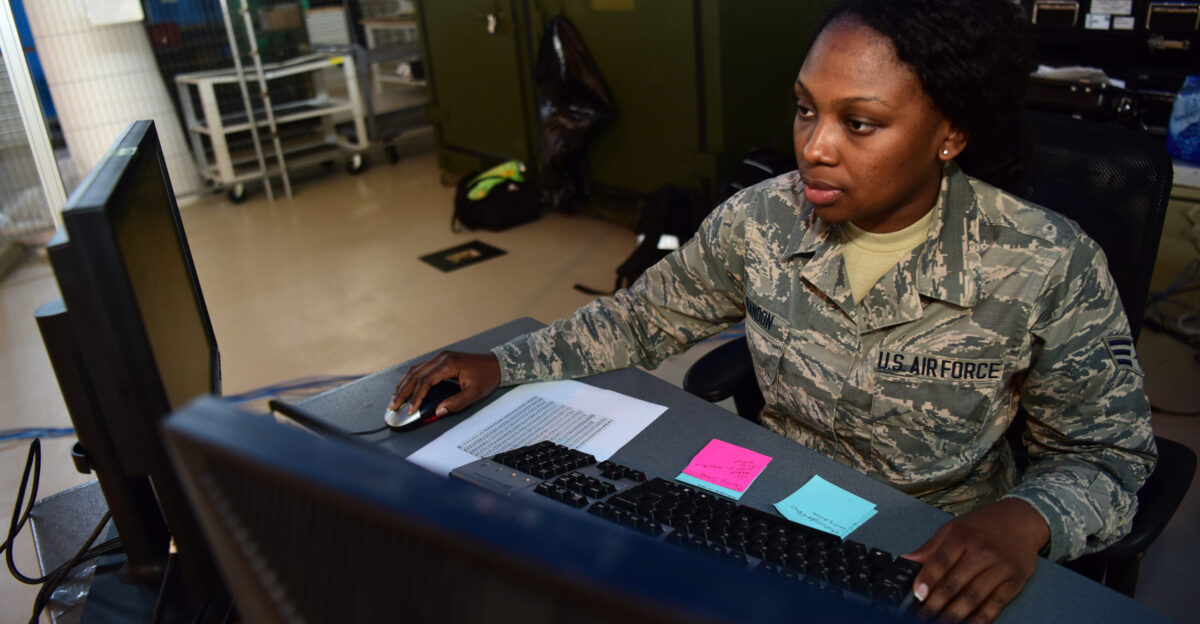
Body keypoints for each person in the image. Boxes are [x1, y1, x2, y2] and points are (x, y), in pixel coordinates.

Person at [392, 1, 1158, 621]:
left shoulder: (1045, 261)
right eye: (804, 110)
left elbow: (1108, 457)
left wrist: (1025, 520)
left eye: (859, 123)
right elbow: (639, 319)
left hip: (932, 542)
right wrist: (504, 361)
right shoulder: (760, 220)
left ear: (950, 133)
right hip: (768, 506)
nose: (814, 148)